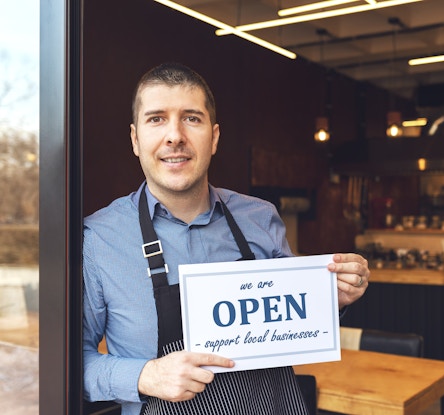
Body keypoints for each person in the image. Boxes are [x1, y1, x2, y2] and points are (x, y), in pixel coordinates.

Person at [82, 62, 370, 415]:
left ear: (214, 137)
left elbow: (298, 324)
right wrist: (145, 375)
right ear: (135, 139)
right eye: (156, 119)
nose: (175, 136)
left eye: (192, 118)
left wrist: (333, 297)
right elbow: (70, 364)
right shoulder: (99, 239)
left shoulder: (261, 218)